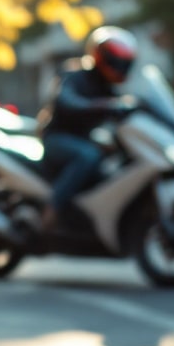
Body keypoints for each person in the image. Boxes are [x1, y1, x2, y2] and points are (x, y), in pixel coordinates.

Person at [35, 25, 139, 230]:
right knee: (89, 156)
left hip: (83, 139)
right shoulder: (73, 75)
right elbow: (66, 100)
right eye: (116, 61)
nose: (120, 66)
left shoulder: (107, 87)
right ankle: (53, 207)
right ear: (101, 56)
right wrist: (99, 105)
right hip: (56, 138)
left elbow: (124, 108)